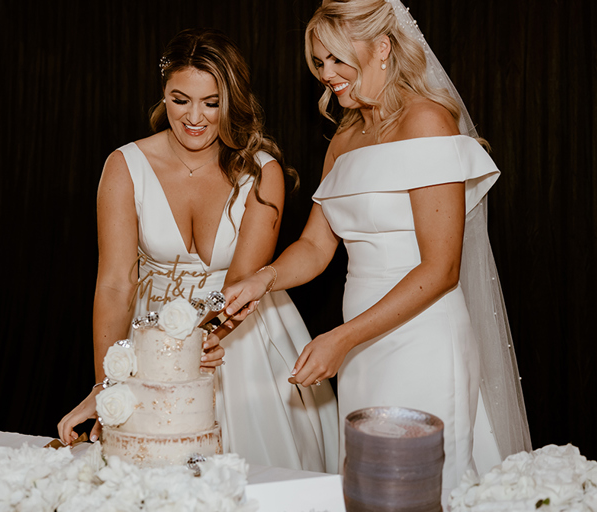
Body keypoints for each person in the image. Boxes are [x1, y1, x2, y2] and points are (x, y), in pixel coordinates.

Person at [222, 0, 531, 500]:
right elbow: (316, 246)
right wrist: (263, 280)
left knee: (425, 488)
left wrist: (343, 339)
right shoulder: (344, 136)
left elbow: (441, 268)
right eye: (320, 63)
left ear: (383, 47)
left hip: (422, 339)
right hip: (359, 346)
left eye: (339, 60)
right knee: (369, 490)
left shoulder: (428, 121)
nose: (328, 76)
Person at [57, 28, 338, 473]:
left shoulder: (262, 172)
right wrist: (106, 383)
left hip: (241, 336)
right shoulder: (124, 166)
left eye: (212, 103)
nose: (195, 117)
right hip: (149, 338)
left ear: (233, 101)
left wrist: (193, 347)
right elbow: (115, 283)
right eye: (180, 99)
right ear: (163, 94)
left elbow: (239, 284)